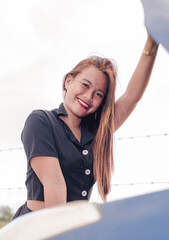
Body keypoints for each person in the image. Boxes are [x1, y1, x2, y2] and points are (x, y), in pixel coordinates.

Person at [12, 32, 159, 219]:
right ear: (68, 81)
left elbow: (132, 96)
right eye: (85, 85)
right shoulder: (41, 121)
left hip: (72, 226)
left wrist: (151, 44)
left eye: (98, 94)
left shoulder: (95, 131)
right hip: (39, 227)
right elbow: (54, 185)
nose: (89, 97)